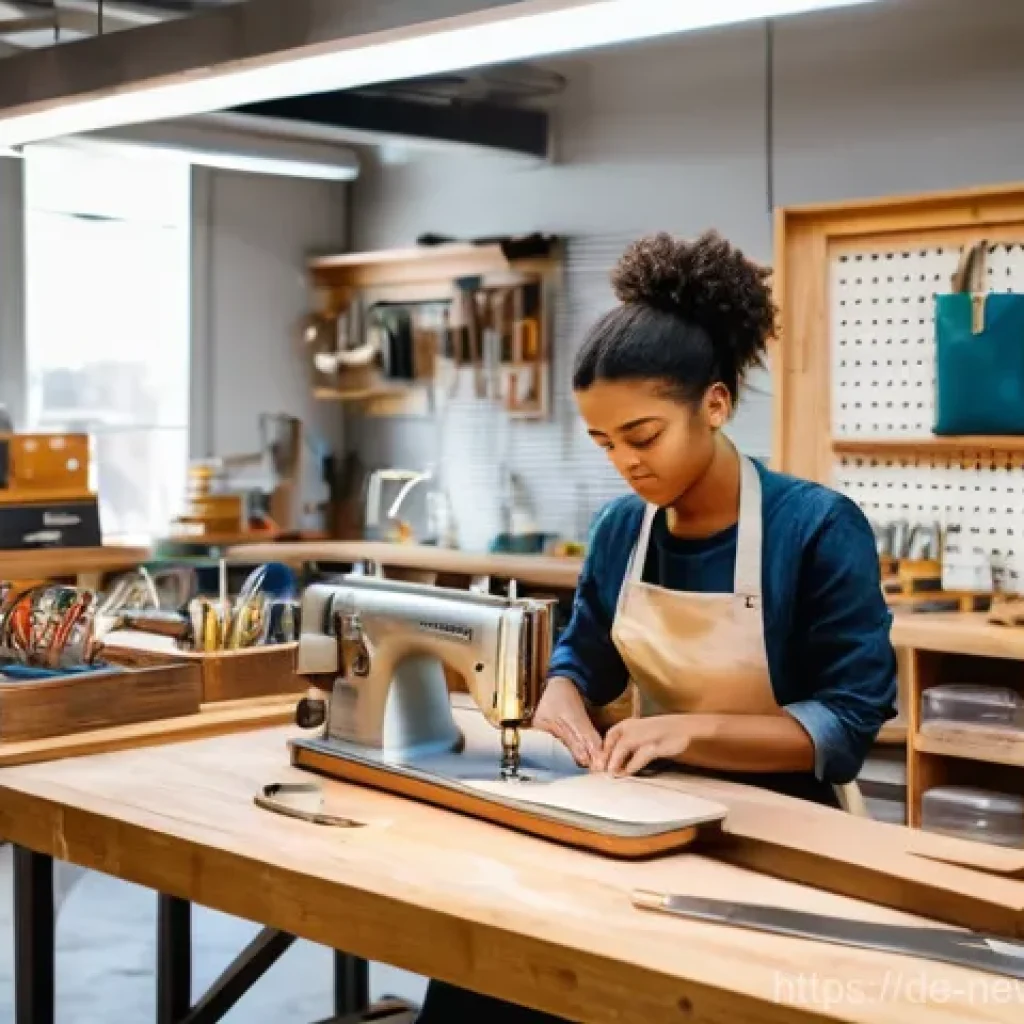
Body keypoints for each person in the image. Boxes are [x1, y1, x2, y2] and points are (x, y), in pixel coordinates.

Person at [415, 230, 897, 1022]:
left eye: (642, 437)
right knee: (488, 961)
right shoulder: (620, 530)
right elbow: (586, 659)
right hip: (646, 811)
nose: (626, 465)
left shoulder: (814, 528)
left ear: (715, 404)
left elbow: (846, 725)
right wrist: (563, 697)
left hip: (785, 835)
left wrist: (682, 732)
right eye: (605, 443)